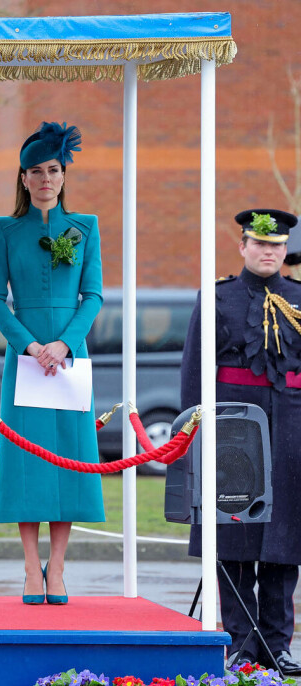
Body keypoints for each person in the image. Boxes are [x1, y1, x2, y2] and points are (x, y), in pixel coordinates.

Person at [0, 121, 104, 607]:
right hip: (27, 360)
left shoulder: (86, 228)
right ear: (23, 177)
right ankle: (31, 568)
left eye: (53, 169)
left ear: (64, 174)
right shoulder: (6, 230)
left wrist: (66, 344)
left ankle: (58, 568)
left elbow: (92, 295)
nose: (46, 179)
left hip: (70, 362)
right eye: (36, 171)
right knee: (28, 461)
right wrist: (32, 347)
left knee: (70, 461)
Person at [180, 208, 301, 675]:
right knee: (233, 530)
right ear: (243, 246)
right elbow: (194, 373)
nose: (267, 252)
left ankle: (277, 644)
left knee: (284, 538)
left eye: (276, 246)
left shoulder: (298, 298)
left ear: (284, 250)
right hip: (233, 426)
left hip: (290, 425)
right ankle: (240, 641)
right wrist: (194, 431)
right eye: (259, 244)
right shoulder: (215, 299)